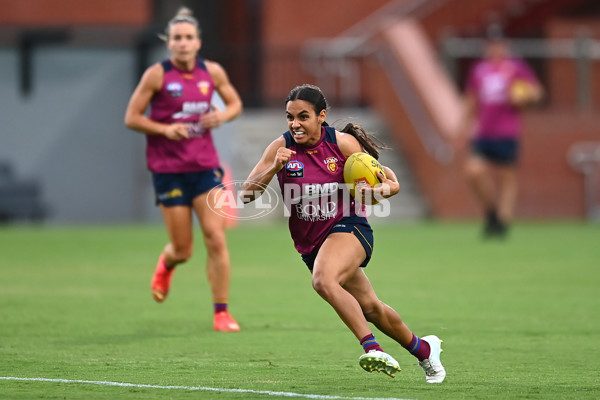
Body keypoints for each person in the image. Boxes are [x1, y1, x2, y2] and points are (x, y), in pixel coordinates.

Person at [240, 84, 446, 383]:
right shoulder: (280, 148)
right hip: (311, 244)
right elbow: (246, 194)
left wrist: (373, 191)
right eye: (289, 117)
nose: (295, 123)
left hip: (349, 228)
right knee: (372, 308)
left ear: (321, 116)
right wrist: (273, 167)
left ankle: (372, 347)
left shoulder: (343, 144)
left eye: (303, 116)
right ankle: (425, 350)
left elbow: (391, 182)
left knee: (323, 280)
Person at [124, 7, 242, 332]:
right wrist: (164, 129)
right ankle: (167, 262)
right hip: (169, 171)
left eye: (188, 37)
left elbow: (235, 103)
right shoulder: (157, 75)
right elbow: (131, 117)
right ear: (169, 42)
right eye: (177, 38)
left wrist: (222, 116)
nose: (183, 43)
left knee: (216, 238)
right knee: (184, 249)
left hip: (205, 168)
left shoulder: (212, 73)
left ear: (198, 42)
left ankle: (221, 312)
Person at [456, 27, 543, 238]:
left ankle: (502, 222)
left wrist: (525, 97)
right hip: (484, 132)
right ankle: (492, 212)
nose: (495, 48)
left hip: (507, 132)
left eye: (499, 43)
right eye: (491, 44)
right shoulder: (479, 69)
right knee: (473, 171)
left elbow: (536, 92)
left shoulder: (516, 67)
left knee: (506, 178)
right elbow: (471, 99)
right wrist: (463, 127)